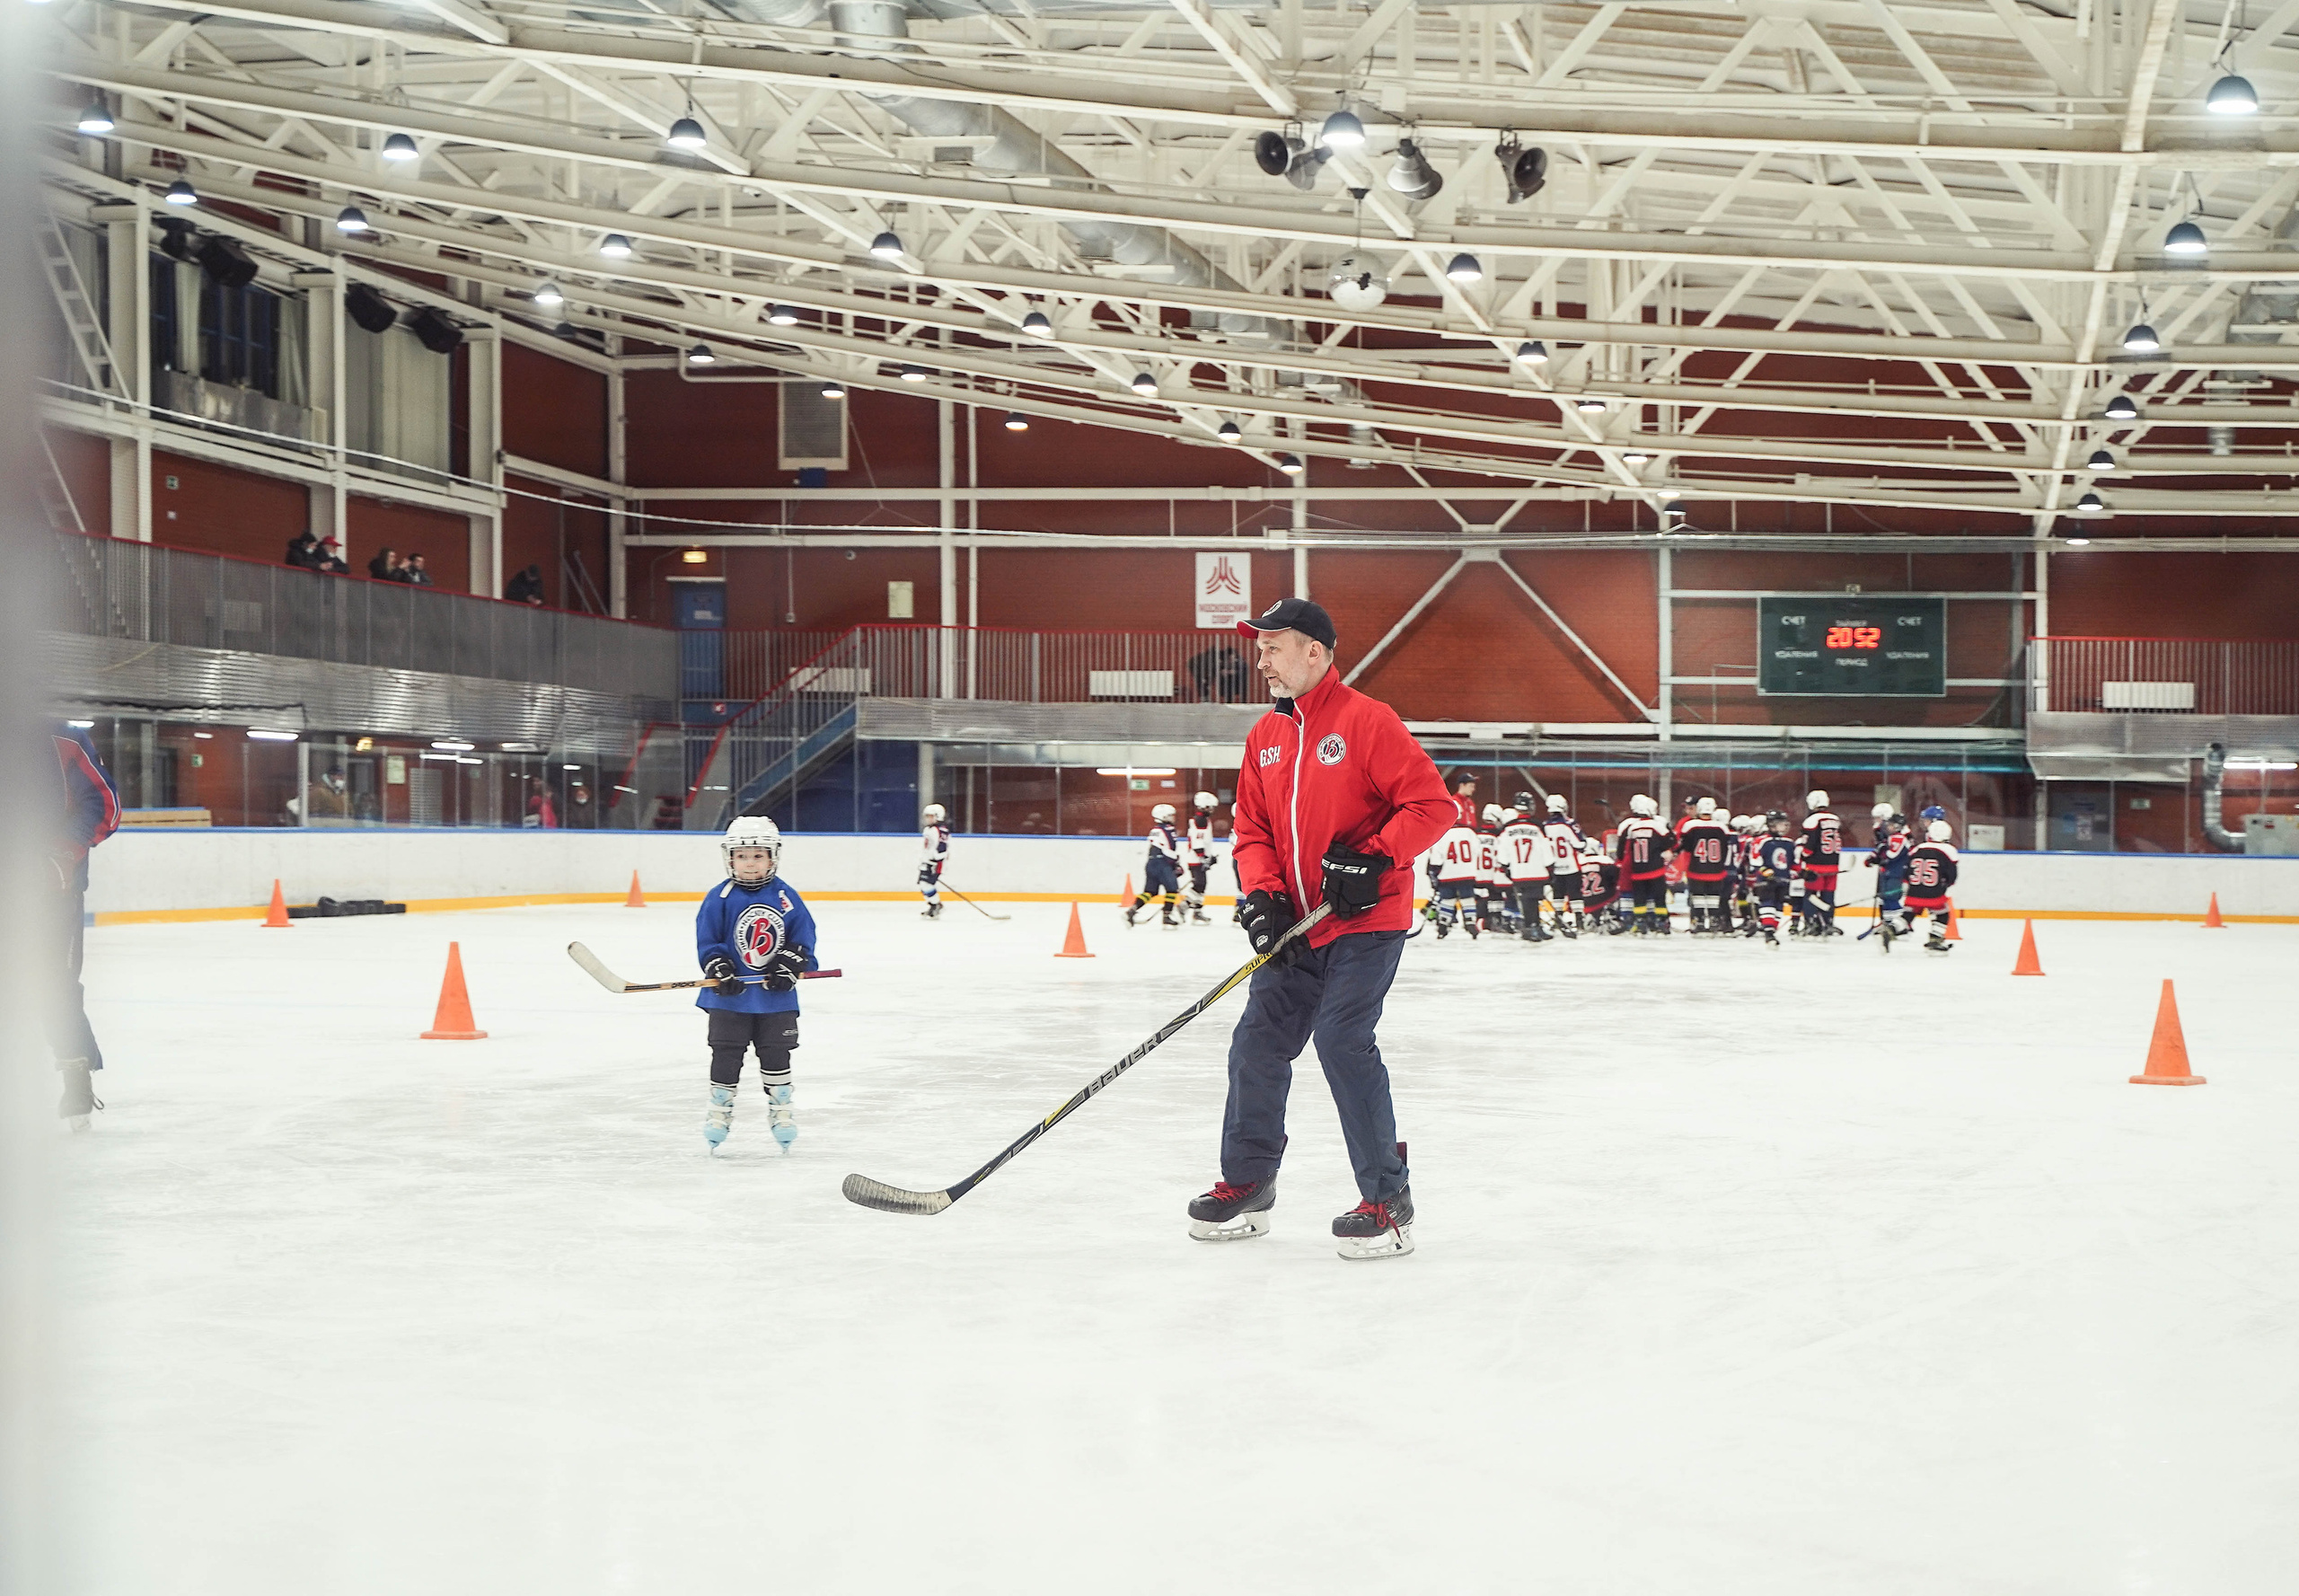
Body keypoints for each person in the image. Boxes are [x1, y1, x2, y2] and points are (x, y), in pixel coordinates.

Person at [1185, 596, 1453, 1260]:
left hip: (1365, 923)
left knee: (1340, 1039)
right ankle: (1249, 1182)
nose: (1261, 659)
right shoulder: (1265, 738)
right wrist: (1264, 895)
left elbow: (1433, 806)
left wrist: (1377, 855)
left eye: (1274, 646)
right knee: (1256, 1045)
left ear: (1316, 651)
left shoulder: (1367, 721)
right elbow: (1252, 831)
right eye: (1260, 647)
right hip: (1296, 926)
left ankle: (1388, 1201)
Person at [696, 816, 819, 1151]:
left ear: (773, 857)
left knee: (777, 1054)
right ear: (730, 858)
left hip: (775, 1001)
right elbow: (707, 942)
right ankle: (719, 1112)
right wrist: (718, 967)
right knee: (725, 1053)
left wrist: (792, 961)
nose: (750, 864)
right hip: (729, 1001)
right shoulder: (719, 898)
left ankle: (782, 1111)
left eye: (758, 855)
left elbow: (803, 937)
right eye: (742, 856)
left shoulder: (786, 896)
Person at [45, 721, 120, 1128]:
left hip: (49, 891)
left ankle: (76, 1070)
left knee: (52, 984)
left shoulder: (64, 739)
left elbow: (105, 803)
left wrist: (61, 852)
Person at [1886, 820, 1960, 952]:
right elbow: (1951, 874)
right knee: (1942, 914)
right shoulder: (1949, 850)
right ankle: (1935, 939)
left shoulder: (1918, 848)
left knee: (1908, 914)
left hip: (1913, 891)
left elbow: (1907, 870)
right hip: (1934, 892)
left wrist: (1907, 884)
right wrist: (1947, 885)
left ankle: (1889, 929)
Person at [1616, 794, 1675, 935]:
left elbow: (1623, 850)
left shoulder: (1630, 826)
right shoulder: (1658, 824)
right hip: (1655, 869)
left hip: (1636, 869)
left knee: (1639, 897)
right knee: (1658, 896)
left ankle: (1639, 921)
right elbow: (1671, 841)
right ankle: (1660, 921)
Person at [1678, 803, 1735, 934]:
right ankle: (1714, 920)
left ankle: (1699, 921)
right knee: (1714, 898)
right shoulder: (1721, 828)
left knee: (1697, 898)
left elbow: (1686, 847)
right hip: (1716, 870)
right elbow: (1725, 848)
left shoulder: (1691, 826)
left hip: (1696, 868)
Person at [1127, 802, 1186, 927]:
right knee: (1172, 889)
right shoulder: (1168, 830)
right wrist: (1175, 864)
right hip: (1162, 864)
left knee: (1150, 891)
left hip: (1151, 863)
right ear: (1164, 816)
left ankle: (1132, 910)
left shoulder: (1155, 830)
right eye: (1170, 815)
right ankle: (1167, 916)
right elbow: (1169, 849)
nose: (1173, 818)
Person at [1499, 806, 1553, 943]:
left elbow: (1502, 854)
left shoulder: (1508, 827)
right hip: (1537, 870)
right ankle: (1531, 927)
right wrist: (1550, 866)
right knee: (1533, 899)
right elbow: (1546, 849)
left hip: (1519, 871)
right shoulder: (1538, 826)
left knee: (1527, 900)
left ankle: (1534, 926)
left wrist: (1506, 867)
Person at [1798, 789, 1845, 936]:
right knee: (1828, 895)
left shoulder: (1812, 820)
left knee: (1810, 894)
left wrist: (1803, 857)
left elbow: (1809, 845)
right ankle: (1827, 922)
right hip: (1833, 864)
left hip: (1815, 865)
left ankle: (1811, 923)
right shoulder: (1835, 819)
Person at [1429, 808, 1481, 939]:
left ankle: (1443, 926)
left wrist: (1435, 872)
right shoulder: (1469, 832)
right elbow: (1477, 851)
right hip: (1467, 873)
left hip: (1448, 874)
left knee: (1447, 899)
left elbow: (1436, 859)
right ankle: (1470, 923)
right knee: (1468, 898)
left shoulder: (1442, 832)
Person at [1539, 793, 1585, 938]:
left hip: (1554, 867)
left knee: (1557, 895)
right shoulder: (1569, 824)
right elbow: (1580, 844)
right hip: (1571, 865)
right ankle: (1579, 921)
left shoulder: (1544, 826)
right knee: (1575, 894)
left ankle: (1558, 919)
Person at [1750, 811, 1797, 947]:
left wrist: (1804, 872)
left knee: (1778, 907)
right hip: (1766, 881)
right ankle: (1768, 932)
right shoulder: (1761, 841)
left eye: (1785, 824)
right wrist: (1765, 872)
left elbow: (1793, 863)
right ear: (1771, 825)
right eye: (1781, 824)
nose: (1785, 827)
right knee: (1768, 903)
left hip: (1783, 880)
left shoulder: (1789, 843)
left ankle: (1770, 930)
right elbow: (1755, 861)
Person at [1865, 802, 1910, 927]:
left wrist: (1880, 858)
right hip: (1889, 869)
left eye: (1878, 818)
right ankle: (1886, 922)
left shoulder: (1900, 834)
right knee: (1884, 896)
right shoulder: (1883, 830)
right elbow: (1882, 847)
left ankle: (1900, 924)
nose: (1876, 821)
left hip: (1896, 870)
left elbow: (1892, 853)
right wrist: (1875, 857)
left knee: (1891, 896)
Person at [1184, 791, 1220, 925]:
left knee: (1201, 885)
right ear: (1204, 806)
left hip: (1197, 859)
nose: (1212, 810)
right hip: (1195, 859)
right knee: (1199, 884)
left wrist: (1208, 857)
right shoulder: (1200, 820)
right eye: (1210, 807)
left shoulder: (1202, 819)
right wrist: (1203, 857)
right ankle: (1182, 908)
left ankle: (1197, 912)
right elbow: (1197, 841)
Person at [917, 801, 949, 918]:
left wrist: (935, 861)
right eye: (927, 816)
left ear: (938, 816)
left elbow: (942, 847)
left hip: (936, 863)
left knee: (927, 884)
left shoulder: (941, 830)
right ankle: (933, 905)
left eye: (931, 816)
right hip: (927, 862)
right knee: (923, 885)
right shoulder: (929, 830)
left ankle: (936, 905)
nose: (928, 819)